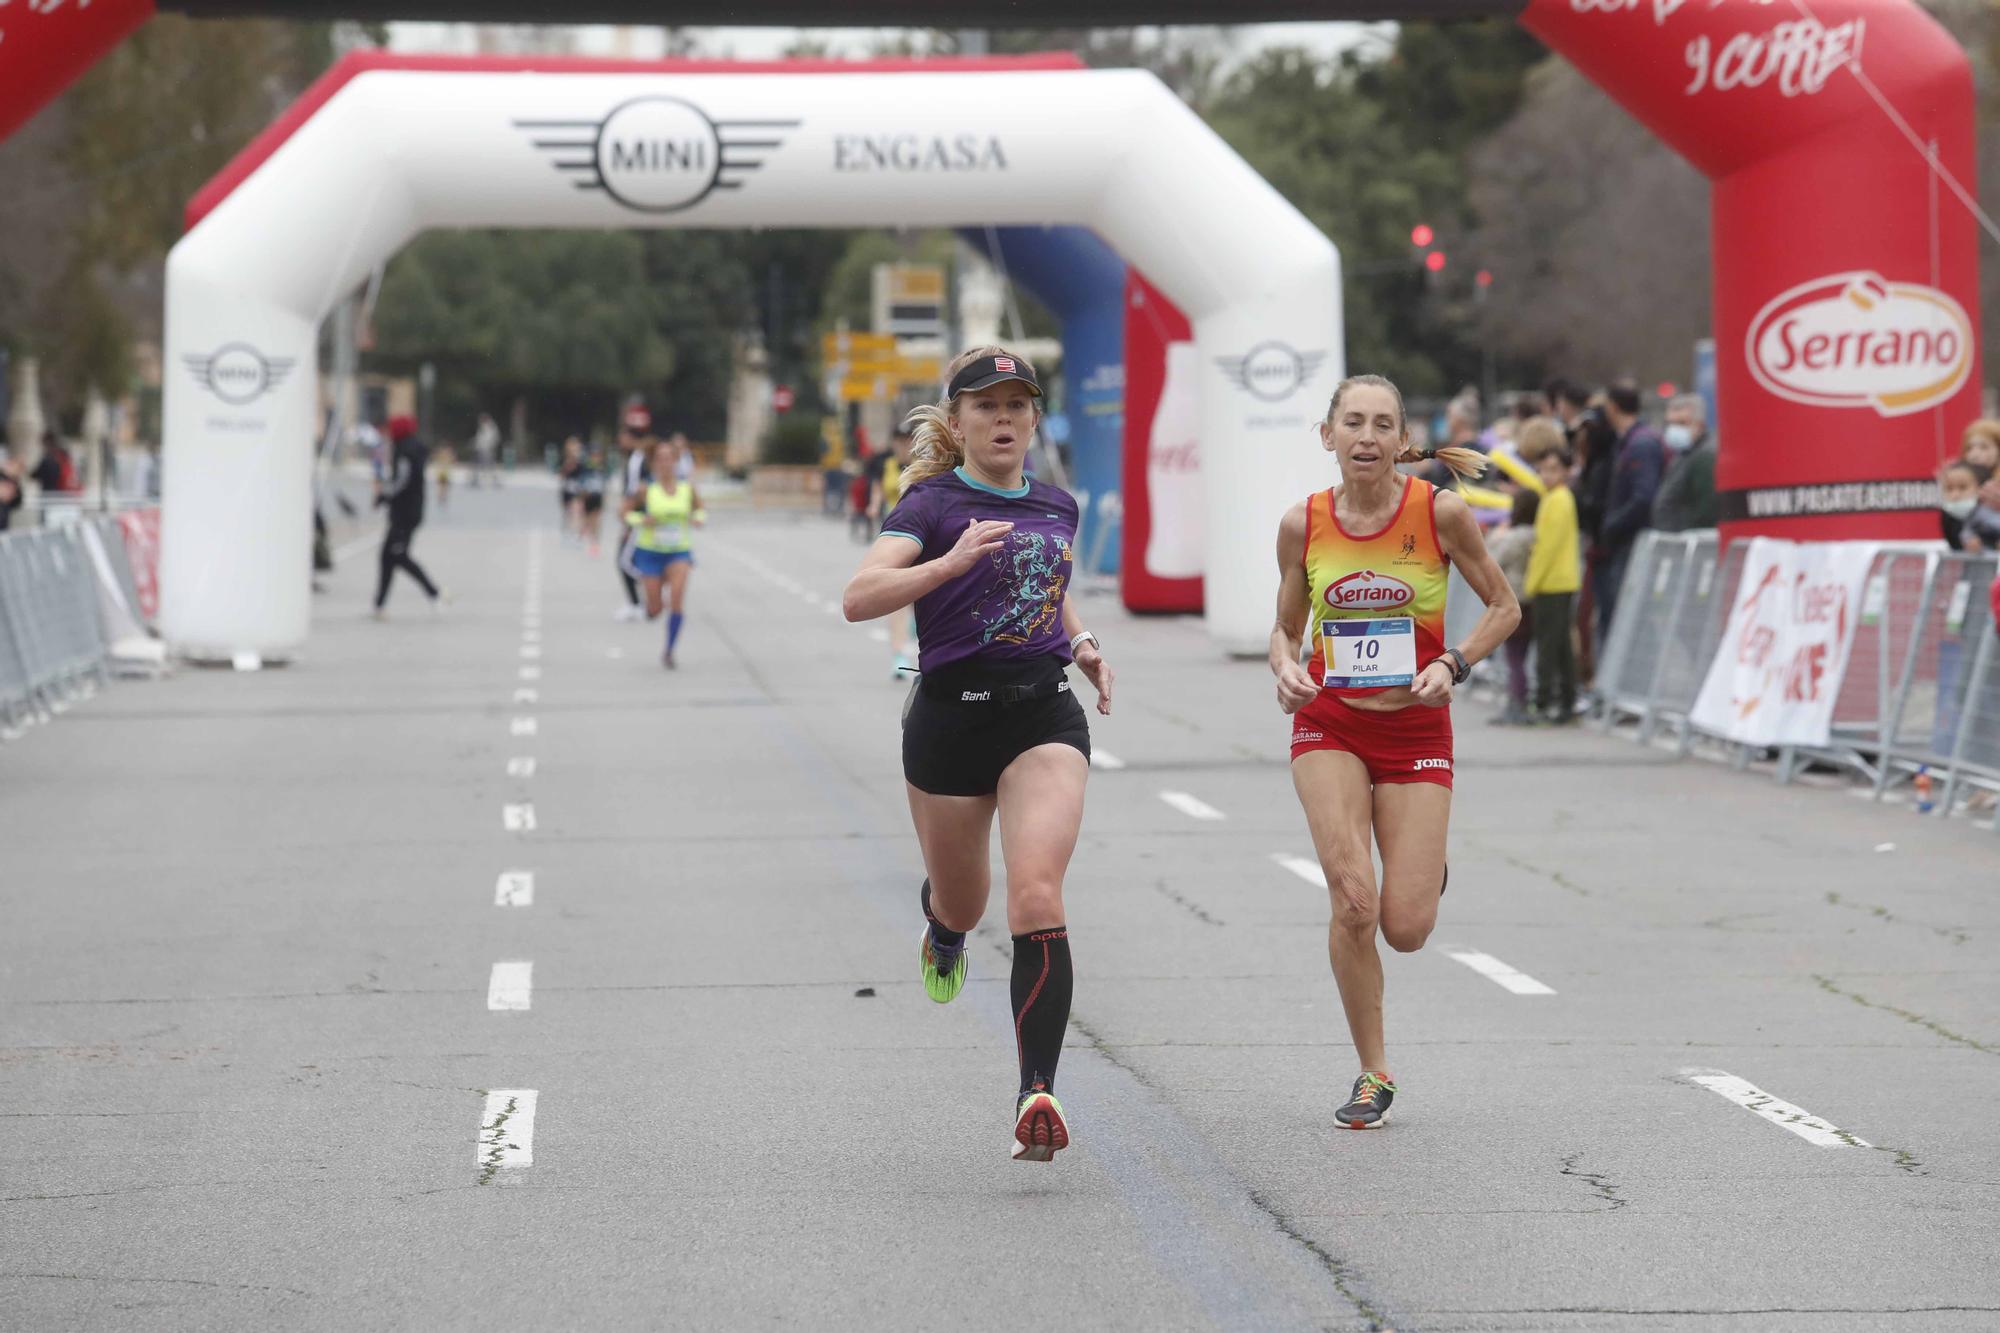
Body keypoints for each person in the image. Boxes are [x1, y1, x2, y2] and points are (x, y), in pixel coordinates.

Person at [841, 347, 1114, 1162]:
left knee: (1036, 891)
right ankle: (945, 928)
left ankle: (1038, 1089)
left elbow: (1047, 579)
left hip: (1041, 715)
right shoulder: (928, 505)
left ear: (1034, 419)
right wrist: (948, 561)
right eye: (985, 405)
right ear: (955, 422)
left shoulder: (1058, 504)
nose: (1003, 418)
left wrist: (1083, 639)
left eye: (1017, 405)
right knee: (965, 902)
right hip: (950, 723)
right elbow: (859, 598)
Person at [1269, 373, 1519, 1130]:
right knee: (1355, 900)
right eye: (1353, 422)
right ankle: (1374, 1070)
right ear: (1329, 436)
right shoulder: (1301, 523)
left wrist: (1455, 662)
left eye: (1382, 424)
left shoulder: (1438, 512)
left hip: (1415, 728)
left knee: (1405, 927)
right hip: (1330, 723)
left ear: (1401, 438)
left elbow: (1505, 607)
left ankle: (1424, 868)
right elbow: (1284, 628)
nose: (1367, 436)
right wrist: (1284, 667)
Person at [622, 435, 705, 668]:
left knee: (677, 598)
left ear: (676, 461)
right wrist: (640, 519)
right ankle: (651, 607)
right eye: (660, 458)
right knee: (656, 607)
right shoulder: (645, 490)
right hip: (650, 552)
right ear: (653, 463)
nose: (666, 463)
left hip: (679, 551)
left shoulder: (687, 490)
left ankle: (669, 650)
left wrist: (697, 519)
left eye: (670, 458)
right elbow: (623, 513)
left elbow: (701, 511)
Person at [1594, 383, 1665, 637]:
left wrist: (1612, 524)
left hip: (1632, 543)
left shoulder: (1640, 444)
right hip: (1626, 541)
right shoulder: (1629, 442)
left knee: (1632, 617)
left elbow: (1643, 497)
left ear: (1613, 408)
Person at [1528, 448, 1583, 723]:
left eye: (1553, 469)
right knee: (1560, 646)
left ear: (1564, 472)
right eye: (1543, 469)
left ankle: (1544, 701)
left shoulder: (1557, 500)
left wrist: (1531, 583)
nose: (1546, 475)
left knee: (1549, 646)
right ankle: (1566, 701)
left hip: (1552, 583)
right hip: (1559, 581)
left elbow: (1546, 548)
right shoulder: (1555, 498)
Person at [372, 415, 446, 618]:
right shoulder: (411, 447)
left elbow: (402, 480)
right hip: (407, 512)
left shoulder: (405, 449)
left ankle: (434, 593)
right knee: (388, 556)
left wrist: (384, 496)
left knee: (398, 556)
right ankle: (379, 605)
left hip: (405, 514)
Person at [867, 427, 919, 677]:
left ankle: (916, 628)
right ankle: (898, 656)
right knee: (898, 597)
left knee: (918, 595)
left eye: (907, 441)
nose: (903, 446)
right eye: (899, 441)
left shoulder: (926, 466)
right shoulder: (885, 465)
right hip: (894, 537)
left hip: (922, 538)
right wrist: (873, 505)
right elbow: (878, 490)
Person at [1486, 488, 1539, 726]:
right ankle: (1522, 701)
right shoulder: (1538, 534)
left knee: (1514, 657)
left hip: (1515, 597)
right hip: (1534, 597)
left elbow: (1492, 560)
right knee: (1524, 654)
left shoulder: (1514, 536)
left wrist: (1495, 536)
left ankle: (1516, 704)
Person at [612, 405, 655, 621]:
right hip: (636, 517)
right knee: (630, 560)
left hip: (637, 518)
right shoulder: (638, 459)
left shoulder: (637, 460)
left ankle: (644, 598)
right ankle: (637, 602)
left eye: (622, 435)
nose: (619, 440)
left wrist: (628, 522)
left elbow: (637, 492)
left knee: (624, 561)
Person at [1652, 394, 1717, 532]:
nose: (1674, 429)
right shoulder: (1682, 454)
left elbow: (1704, 513)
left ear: (1699, 424)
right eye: (1670, 423)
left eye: (1681, 423)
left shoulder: (1705, 457)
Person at [1941, 461, 2000, 552]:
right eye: (1949, 488)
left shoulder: (1985, 513)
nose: (1955, 495)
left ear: (1981, 488)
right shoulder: (1949, 518)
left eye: (1963, 487)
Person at [471, 412, 501, 488]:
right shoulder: (483, 427)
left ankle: (494, 481)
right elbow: (479, 438)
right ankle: (476, 479)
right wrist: (475, 444)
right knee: (479, 465)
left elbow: (492, 438)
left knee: (489, 465)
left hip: (487, 449)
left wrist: (489, 446)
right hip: (481, 449)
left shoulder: (490, 427)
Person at [432, 440, 455, 511]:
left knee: (442, 486)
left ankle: (441, 497)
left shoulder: (440, 452)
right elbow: (453, 460)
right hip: (444, 472)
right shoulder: (448, 453)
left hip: (441, 472)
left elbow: (434, 458)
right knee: (443, 486)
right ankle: (442, 497)